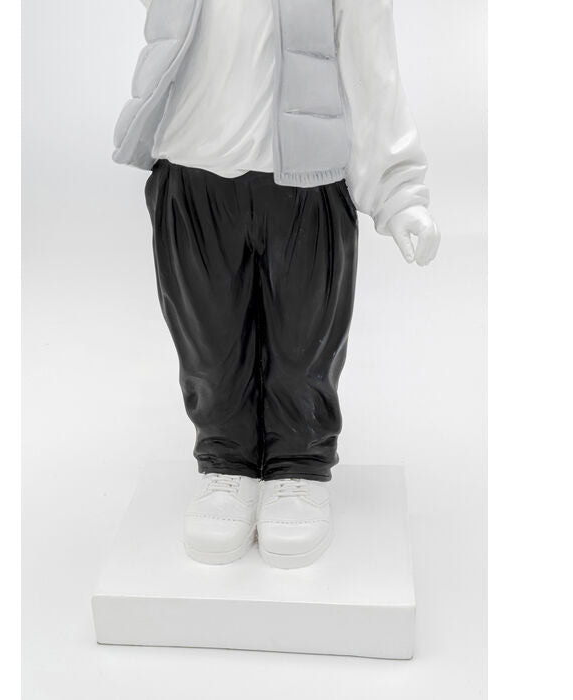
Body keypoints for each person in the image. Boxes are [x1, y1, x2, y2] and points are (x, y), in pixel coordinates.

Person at [114, 0, 440, 568]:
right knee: (207, 341)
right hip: (191, 167)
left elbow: (372, 69)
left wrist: (399, 193)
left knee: (305, 339)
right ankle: (226, 464)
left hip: (307, 181)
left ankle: (298, 467)